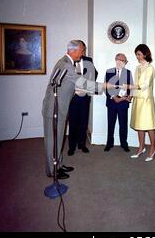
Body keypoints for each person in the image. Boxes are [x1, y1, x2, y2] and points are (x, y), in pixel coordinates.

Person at [42, 40, 111, 179]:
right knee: (53, 141)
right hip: (54, 108)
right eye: (82, 50)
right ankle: (52, 170)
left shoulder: (65, 63)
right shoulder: (66, 65)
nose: (83, 53)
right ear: (73, 50)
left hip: (59, 107)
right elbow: (82, 83)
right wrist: (104, 86)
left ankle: (59, 164)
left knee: (59, 138)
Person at [126, 44, 155, 162]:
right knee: (139, 125)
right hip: (138, 100)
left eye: (139, 54)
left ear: (145, 54)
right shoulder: (138, 68)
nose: (137, 57)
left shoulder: (150, 68)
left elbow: (145, 85)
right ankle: (141, 148)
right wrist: (130, 95)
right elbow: (135, 85)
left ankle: (153, 149)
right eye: (136, 54)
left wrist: (130, 86)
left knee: (149, 126)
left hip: (146, 101)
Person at [68, 42, 98, 155]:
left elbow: (95, 73)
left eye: (83, 49)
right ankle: (71, 146)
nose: (83, 52)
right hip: (73, 96)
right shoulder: (69, 60)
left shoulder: (88, 60)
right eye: (81, 49)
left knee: (83, 121)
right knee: (73, 121)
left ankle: (82, 144)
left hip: (85, 95)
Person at [104, 53, 133, 152]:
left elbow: (130, 87)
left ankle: (124, 143)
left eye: (125, 61)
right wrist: (113, 97)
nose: (124, 62)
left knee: (123, 124)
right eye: (122, 60)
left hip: (123, 103)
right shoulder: (109, 72)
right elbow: (106, 87)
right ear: (117, 60)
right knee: (110, 124)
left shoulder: (128, 72)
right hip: (112, 102)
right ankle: (109, 143)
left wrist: (128, 97)